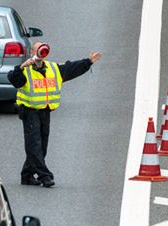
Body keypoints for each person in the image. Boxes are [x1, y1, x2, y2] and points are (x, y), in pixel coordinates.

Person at [7, 42, 102, 187]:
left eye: (43, 48)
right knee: (34, 145)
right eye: (37, 48)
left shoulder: (53, 68)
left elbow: (71, 68)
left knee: (42, 146)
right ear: (32, 51)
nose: (40, 51)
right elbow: (14, 80)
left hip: (45, 111)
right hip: (29, 111)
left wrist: (88, 62)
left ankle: (26, 175)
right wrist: (20, 67)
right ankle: (45, 176)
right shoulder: (25, 70)